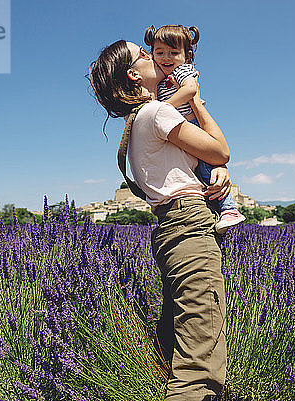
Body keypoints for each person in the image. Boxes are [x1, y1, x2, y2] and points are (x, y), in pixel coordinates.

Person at [88, 40, 229, 400]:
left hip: (170, 228)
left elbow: (194, 164)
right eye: (145, 54)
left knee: (177, 337)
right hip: (189, 224)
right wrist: (193, 98)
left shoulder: (135, 123)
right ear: (135, 74)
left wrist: (217, 173)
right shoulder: (155, 113)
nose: (155, 56)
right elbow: (220, 150)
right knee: (200, 361)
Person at [144, 24, 245, 234]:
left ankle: (229, 209)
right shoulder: (162, 79)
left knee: (208, 169)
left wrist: (163, 110)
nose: (166, 57)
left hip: (193, 125)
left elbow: (190, 90)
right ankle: (217, 213)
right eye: (159, 52)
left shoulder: (183, 71)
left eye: (174, 52)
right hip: (179, 130)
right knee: (199, 172)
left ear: (187, 56)